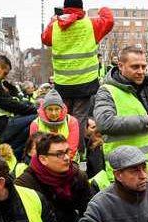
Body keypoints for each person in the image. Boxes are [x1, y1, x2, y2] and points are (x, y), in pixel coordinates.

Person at [94, 45, 148, 180]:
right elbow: (104, 123)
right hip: (126, 171)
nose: (141, 71)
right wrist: (143, 121)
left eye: (143, 66)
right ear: (120, 65)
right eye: (135, 67)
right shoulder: (107, 90)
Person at [41, 0, 114, 147]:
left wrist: (53, 20)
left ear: (64, 8)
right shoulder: (90, 25)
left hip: (63, 82)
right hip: (85, 82)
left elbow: (45, 39)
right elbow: (109, 20)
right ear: (81, 8)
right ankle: (77, 151)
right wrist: (103, 9)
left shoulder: (54, 26)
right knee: (79, 118)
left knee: (63, 118)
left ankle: (59, 149)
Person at [15, 133, 93, 222]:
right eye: (59, 154)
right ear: (43, 159)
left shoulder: (78, 176)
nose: (66, 158)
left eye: (67, 152)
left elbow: (89, 214)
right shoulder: (24, 185)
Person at [29, 89, 80, 159]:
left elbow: (71, 148)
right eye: (50, 109)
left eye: (57, 109)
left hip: (67, 160)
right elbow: (35, 150)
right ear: (44, 109)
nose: (54, 113)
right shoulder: (35, 124)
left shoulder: (71, 121)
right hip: (45, 163)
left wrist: (58, 164)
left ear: (61, 109)